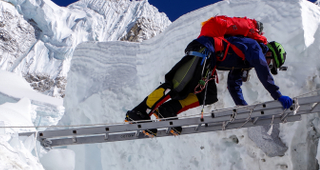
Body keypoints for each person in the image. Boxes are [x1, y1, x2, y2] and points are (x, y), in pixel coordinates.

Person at [125, 15, 294, 123]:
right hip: (203, 51)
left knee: (209, 95)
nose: (268, 65)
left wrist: (244, 109)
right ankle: (139, 112)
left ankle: (167, 110)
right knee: (176, 84)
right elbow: (264, 73)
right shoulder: (255, 48)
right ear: (270, 53)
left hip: (209, 62)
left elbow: (233, 84)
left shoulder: (245, 61)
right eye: (271, 63)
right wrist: (278, 96)